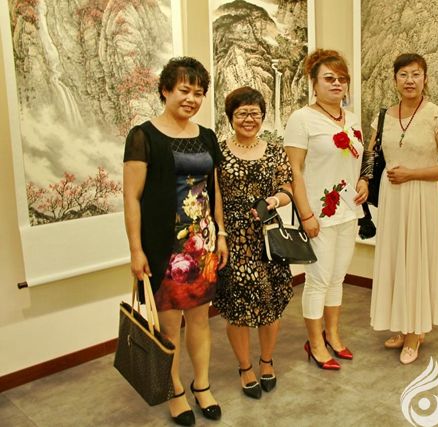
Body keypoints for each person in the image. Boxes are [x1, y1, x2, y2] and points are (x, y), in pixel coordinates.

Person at [123, 57, 226, 426]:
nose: (191, 99)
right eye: (184, 90)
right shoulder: (143, 136)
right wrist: (136, 250)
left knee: (200, 321)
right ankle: (175, 391)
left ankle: (202, 386)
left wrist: (221, 233)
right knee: (169, 328)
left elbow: (214, 190)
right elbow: (132, 197)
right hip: (163, 247)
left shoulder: (207, 136)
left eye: (198, 93)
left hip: (202, 245)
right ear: (165, 90)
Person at [369, 53, 438, 364]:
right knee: (397, 259)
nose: (410, 80)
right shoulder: (383, 117)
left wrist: (413, 174)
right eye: (403, 75)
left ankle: (414, 333)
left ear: (425, 79)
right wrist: (364, 182)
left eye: (416, 74)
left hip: (421, 197)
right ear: (395, 80)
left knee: (416, 261)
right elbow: (371, 156)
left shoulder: (436, 116)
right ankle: (403, 325)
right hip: (393, 198)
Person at [284, 49, 367, 370]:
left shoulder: (353, 118)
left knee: (336, 278)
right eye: (329, 78)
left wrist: (363, 182)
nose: (337, 84)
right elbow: (294, 170)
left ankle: (332, 334)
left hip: (349, 210)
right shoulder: (302, 119)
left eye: (342, 79)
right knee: (318, 280)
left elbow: (356, 161)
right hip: (318, 213)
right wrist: (305, 214)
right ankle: (315, 342)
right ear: (314, 83)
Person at [213, 87, 294, 399]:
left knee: (270, 303)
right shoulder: (219, 152)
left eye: (254, 113)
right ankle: (245, 366)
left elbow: (288, 189)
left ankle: (267, 360)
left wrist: (275, 200)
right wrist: (220, 233)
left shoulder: (274, 151)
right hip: (234, 238)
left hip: (268, 236)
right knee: (238, 306)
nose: (249, 119)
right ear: (230, 117)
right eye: (241, 113)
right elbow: (214, 197)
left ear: (263, 116)